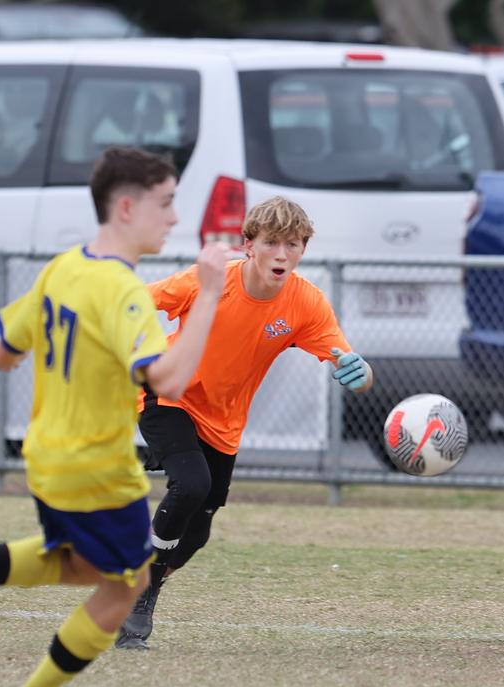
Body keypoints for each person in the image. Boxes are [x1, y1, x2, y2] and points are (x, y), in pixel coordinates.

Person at [0, 146, 232, 687]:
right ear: (126, 207)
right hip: (97, 465)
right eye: (167, 203)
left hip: (46, 459)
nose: (176, 218)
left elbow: (1, 354)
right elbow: (168, 378)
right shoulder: (123, 292)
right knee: (126, 586)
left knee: (77, 564)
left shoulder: (62, 267)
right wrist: (209, 293)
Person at [115, 195, 372, 650]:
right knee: (190, 485)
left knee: (198, 531)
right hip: (168, 395)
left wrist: (360, 372)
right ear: (247, 244)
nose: (281, 254)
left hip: (224, 421)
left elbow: (348, 360)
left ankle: (145, 572)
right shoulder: (211, 282)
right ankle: (139, 593)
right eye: (271, 242)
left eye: (292, 244)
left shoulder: (306, 303)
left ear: (303, 249)